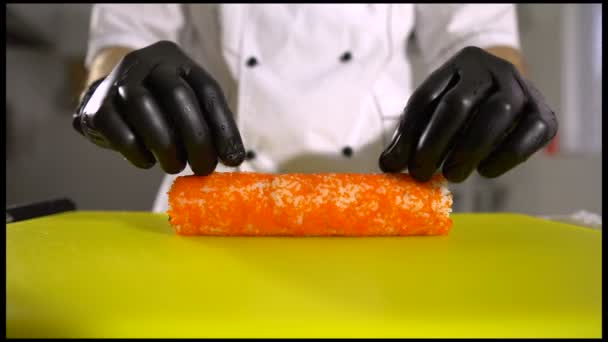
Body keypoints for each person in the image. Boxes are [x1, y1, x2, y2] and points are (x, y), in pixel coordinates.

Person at [73, 4, 557, 213]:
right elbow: (118, 41)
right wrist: (110, 84)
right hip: (216, 187)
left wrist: (501, 80)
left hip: (384, 192)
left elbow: (484, 37)